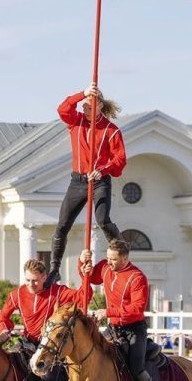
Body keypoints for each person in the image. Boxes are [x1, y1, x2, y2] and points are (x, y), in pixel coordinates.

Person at [44, 82, 126, 289]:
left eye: (89, 106)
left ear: (99, 106)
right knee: (63, 225)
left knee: (103, 220)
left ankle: (121, 252)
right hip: (77, 181)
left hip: (99, 182)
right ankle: (54, 269)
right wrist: (83, 93)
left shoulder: (111, 131)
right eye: (84, 106)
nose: (85, 109)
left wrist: (104, 169)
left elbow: (120, 160)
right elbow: (63, 109)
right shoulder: (76, 122)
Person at [85, 238, 160, 381]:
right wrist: (83, 262)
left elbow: (137, 308)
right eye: (107, 257)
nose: (108, 262)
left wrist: (108, 312)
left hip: (134, 330)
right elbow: (89, 277)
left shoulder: (137, 278)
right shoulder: (105, 267)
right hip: (113, 328)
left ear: (125, 258)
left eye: (113, 259)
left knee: (136, 369)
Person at [0, 256, 92, 345]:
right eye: (28, 280)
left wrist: (84, 276)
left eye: (35, 280)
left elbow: (83, 298)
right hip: (28, 343)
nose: (31, 284)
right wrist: (4, 330)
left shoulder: (57, 291)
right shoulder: (16, 294)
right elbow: (2, 317)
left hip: (51, 344)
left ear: (44, 277)